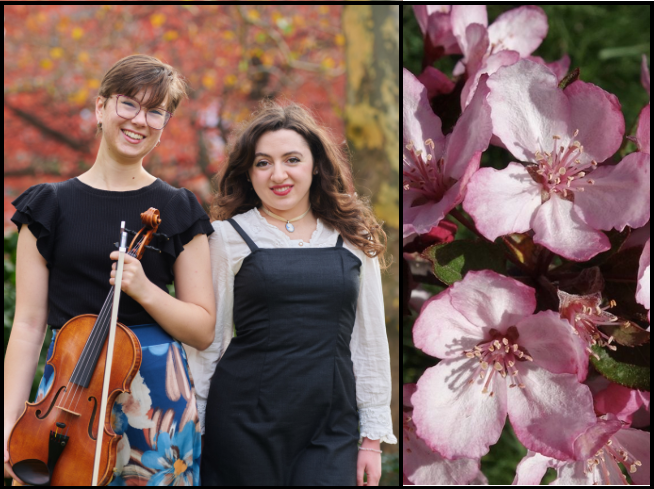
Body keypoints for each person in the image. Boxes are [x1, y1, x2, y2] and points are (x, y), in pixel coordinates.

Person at [4, 54, 215, 486]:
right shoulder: (48, 205)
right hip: (66, 398)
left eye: (156, 111)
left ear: (164, 124)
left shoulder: (179, 208)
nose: (140, 120)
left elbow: (202, 328)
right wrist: (7, 423)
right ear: (101, 107)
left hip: (156, 396)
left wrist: (145, 290)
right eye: (128, 104)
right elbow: (27, 325)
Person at [186, 101, 397, 486]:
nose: (278, 174)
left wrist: (371, 439)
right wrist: (194, 424)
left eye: (292, 159)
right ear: (248, 174)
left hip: (331, 425)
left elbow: (369, 343)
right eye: (263, 162)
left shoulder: (352, 238)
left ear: (315, 164)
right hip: (242, 422)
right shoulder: (228, 237)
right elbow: (210, 342)